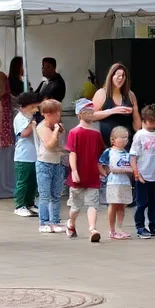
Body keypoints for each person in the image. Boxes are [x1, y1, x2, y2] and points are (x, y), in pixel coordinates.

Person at [65, 99, 104, 242]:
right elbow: (72, 152)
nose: (91, 114)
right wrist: (74, 170)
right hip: (78, 176)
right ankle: (71, 223)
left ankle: (92, 229)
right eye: (87, 111)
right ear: (80, 114)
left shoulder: (96, 134)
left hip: (92, 175)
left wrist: (101, 169)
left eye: (92, 111)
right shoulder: (75, 132)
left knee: (93, 203)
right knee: (75, 206)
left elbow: (99, 155)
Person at [131, 104, 155, 239]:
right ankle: (140, 226)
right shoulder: (139, 135)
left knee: (154, 202)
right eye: (149, 121)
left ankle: (153, 225)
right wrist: (136, 172)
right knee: (142, 203)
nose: (152, 124)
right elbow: (133, 156)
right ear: (144, 120)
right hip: (143, 174)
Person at [35, 98, 67, 233]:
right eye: (56, 113)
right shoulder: (41, 127)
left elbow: (61, 145)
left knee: (56, 194)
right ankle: (44, 223)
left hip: (57, 163)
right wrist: (55, 132)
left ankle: (55, 221)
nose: (59, 116)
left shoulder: (56, 126)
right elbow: (50, 145)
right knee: (44, 195)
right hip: (44, 164)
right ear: (48, 114)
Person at [91, 62, 139, 149]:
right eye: (117, 75)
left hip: (126, 144)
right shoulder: (102, 93)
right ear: (111, 76)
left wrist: (135, 110)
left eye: (123, 76)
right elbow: (91, 115)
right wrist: (113, 110)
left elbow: (137, 126)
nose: (120, 78)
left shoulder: (130, 95)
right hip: (107, 144)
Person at [99, 125, 133, 239]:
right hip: (113, 182)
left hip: (125, 182)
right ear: (113, 139)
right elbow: (100, 163)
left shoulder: (127, 153)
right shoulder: (109, 151)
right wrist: (104, 173)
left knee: (122, 206)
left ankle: (119, 228)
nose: (124, 140)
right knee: (113, 204)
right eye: (121, 137)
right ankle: (112, 230)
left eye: (126, 138)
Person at [12, 91, 40, 217]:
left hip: (35, 154)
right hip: (23, 156)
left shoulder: (31, 117)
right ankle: (19, 205)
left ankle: (30, 203)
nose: (35, 109)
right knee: (23, 181)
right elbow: (24, 133)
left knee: (33, 181)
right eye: (32, 106)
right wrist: (32, 123)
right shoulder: (20, 118)